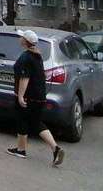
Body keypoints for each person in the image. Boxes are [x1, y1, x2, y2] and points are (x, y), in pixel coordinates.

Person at [7, 29, 64, 166]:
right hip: (39, 96)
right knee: (36, 122)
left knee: (22, 120)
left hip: (29, 96)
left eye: (22, 37)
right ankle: (55, 148)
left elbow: (24, 78)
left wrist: (21, 96)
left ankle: (21, 150)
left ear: (25, 41)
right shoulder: (37, 55)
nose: (20, 38)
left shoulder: (26, 57)